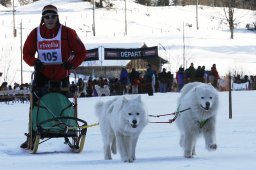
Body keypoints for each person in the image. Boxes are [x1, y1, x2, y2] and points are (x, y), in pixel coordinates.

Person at [20, 4, 87, 149]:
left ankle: (69, 129)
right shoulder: (35, 33)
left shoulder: (68, 33)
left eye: (53, 16)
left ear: (57, 17)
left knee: (62, 103)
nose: (50, 19)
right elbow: (26, 53)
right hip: (42, 75)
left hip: (62, 75)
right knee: (36, 105)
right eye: (47, 16)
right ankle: (32, 134)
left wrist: (72, 64)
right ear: (43, 18)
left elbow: (81, 52)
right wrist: (35, 62)